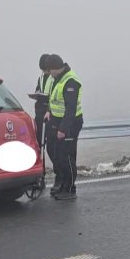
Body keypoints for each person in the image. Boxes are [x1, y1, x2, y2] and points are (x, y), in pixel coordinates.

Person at [44, 54, 83, 200]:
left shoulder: (70, 81)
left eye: (50, 70)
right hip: (57, 120)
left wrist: (63, 129)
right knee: (59, 155)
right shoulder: (58, 79)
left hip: (70, 124)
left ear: (55, 68)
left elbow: (71, 109)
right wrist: (49, 111)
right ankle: (62, 184)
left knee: (67, 156)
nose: (49, 73)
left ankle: (69, 188)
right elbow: (54, 98)